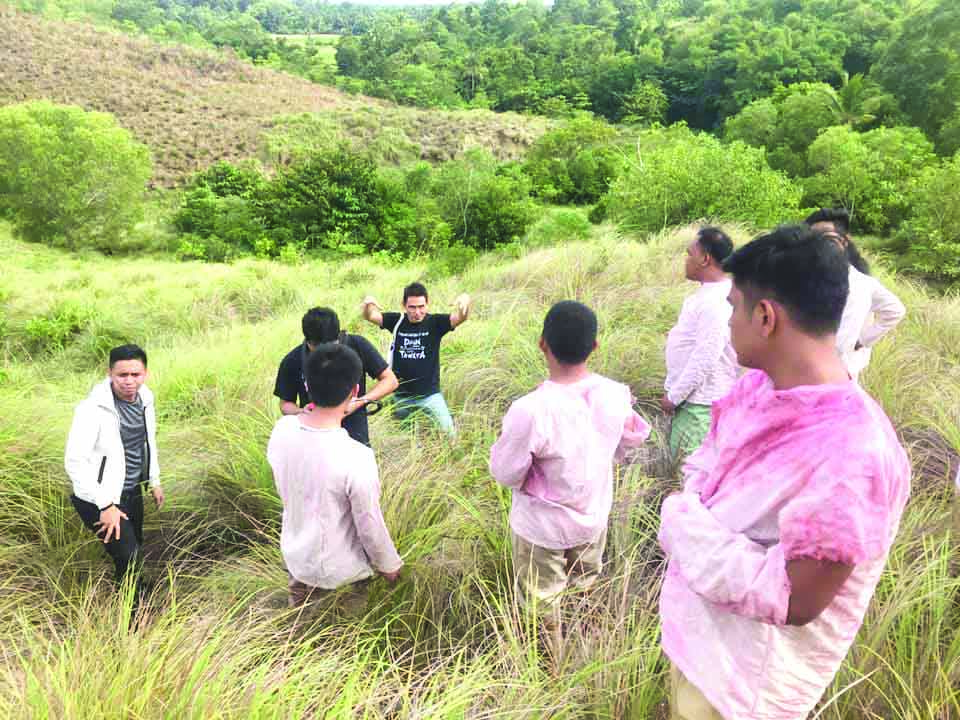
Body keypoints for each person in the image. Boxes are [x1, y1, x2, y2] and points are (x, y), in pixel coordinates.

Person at [658, 225, 911, 720]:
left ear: (765, 316)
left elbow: (796, 597)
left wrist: (682, 524)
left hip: (745, 688)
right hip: (703, 646)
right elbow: (707, 466)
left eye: (733, 306)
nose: (728, 319)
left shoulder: (854, 453)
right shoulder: (757, 386)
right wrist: (691, 511)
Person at [489, 301, 651, 629]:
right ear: (594, 346)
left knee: (542, 602)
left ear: (542, 343)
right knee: (585, 587)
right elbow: (629, 441)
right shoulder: (615, 394)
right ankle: (584, 646)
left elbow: (504, 472)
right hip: (593, 517)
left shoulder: (531, 409)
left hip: (543, 527)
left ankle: (552, 669)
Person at [267, 343, 403, 612]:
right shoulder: (356, 456)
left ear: (307, 387)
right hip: (342, 575)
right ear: (355, 390)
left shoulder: (282, 431)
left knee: (302, 633)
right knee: (346, 644)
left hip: (296, 561)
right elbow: (369, 525)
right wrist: (389, 565)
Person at [66, 344, 164, 586]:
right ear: (109, 373)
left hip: (132, 491)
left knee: (134, 550)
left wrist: (154, 480)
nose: (129, 381)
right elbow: (74, 462)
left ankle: (138, 602)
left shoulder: (146, 399)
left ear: (146, 373)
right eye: (122, 375)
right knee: (128, 556)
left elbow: (147, 441)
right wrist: (106, 504)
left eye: (135, 374)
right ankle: (130, 619)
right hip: (99, 497)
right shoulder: (91, 410)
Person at [661, 227, 739, 457]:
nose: (686, 260)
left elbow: (707, 355)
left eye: (689, 253)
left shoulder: (715, 301)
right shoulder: (712, 295)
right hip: (696, 401)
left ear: (705, 259)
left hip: (700, 405)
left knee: (689, 479)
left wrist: (674, 397)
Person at [805, 208, 906, 380]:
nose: (818, 244)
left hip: (834, 378)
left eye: (827, 237)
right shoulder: (805, 277)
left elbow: (895, 310)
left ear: (845, 241)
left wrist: (862, 340)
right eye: (812, 238)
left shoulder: (857, 284)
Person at [274, 307, 398, 447]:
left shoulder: (357, 345)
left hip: (355, 438)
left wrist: (358, 402)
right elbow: (285, 404)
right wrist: (301, 411)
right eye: (318, 349)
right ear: (308, 341)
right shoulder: (293, 360)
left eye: (331, 347)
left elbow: (390, 380)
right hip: (314, 437)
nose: (326, 354)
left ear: (338, 336)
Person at [360, 283, 470, 435]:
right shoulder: (397, 321)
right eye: (412, 307)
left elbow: (461, 317)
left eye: (421, 306)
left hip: (430, 396)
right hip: (401, 396)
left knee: (449, 434)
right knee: (405, 437)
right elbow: (371, 316)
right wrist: (368, 304)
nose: (417, 312)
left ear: (427, 304)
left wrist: (465, 301)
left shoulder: (436, 323)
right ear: (404, 305)